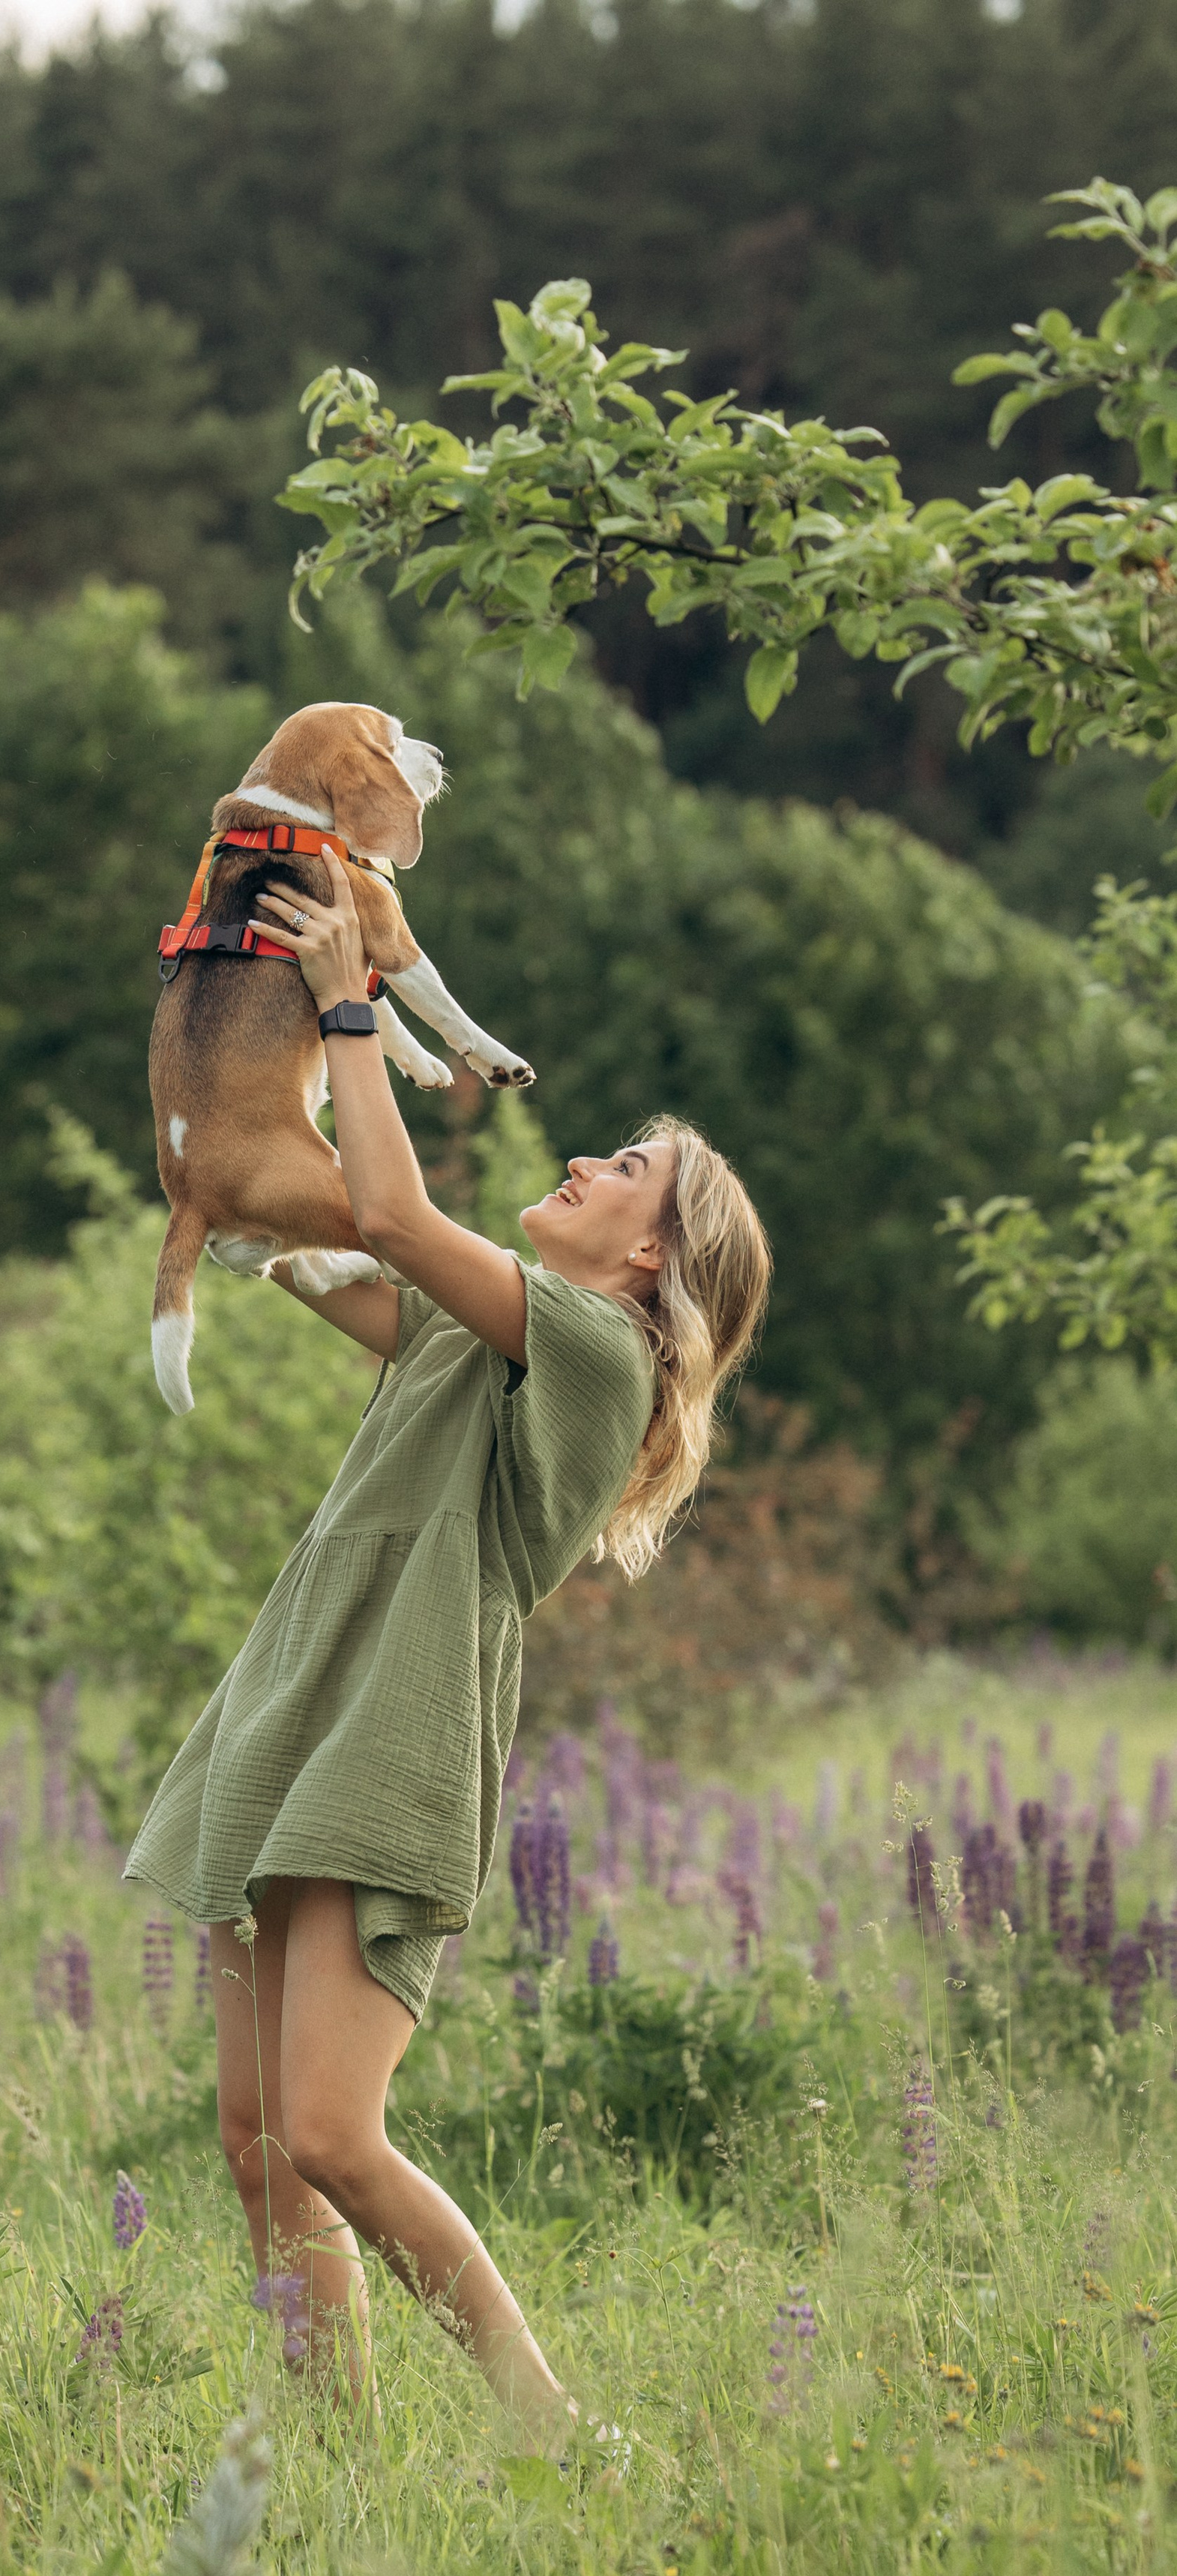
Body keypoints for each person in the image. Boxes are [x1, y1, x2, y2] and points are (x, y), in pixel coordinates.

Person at [125, 848, 772, 2446]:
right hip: (298, 1695)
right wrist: (244, 1134)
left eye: (624, 1163)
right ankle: (339, 2466)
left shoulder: (593, 1350)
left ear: (648, 1262)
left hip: (391, 1724)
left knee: (334, 2135)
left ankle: (553, 2429)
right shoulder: (490, 1329)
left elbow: (398, 1216)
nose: (580, 1154)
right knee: (252, 2137)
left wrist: (351, 1002)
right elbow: (352, 1256)